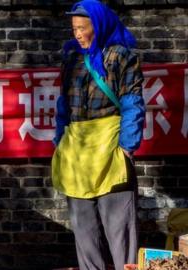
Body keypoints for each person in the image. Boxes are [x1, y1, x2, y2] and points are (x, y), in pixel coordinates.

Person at [51, 1, 145, 270]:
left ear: (99, 25)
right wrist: (60, 141)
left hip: (109, 149)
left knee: (120, 232)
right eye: (74, 29)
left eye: (82, 28)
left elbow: (132, 103)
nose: (77, 34)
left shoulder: (121, 57)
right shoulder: (71, 59)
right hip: (78, 153)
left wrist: (127, 147)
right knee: (84, 232)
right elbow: (63, 105)